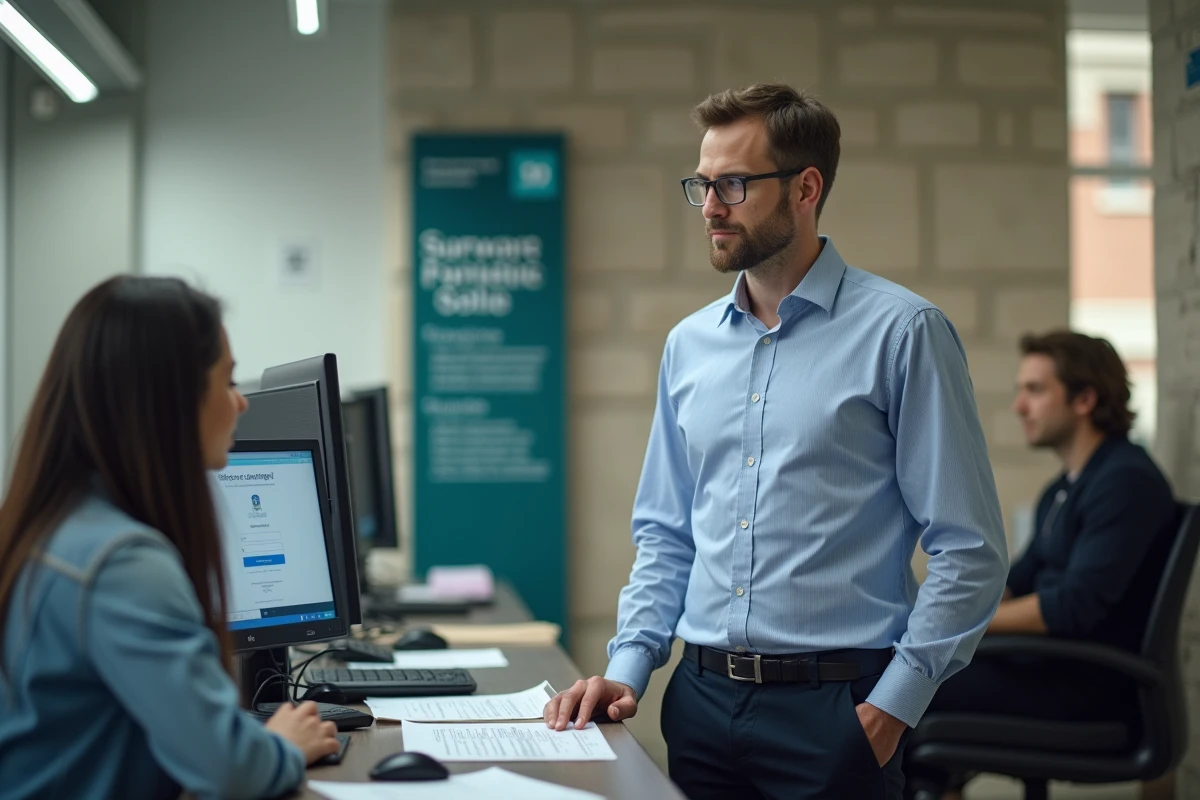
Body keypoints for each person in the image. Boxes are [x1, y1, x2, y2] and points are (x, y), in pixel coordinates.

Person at [543, 82, 1009, 799]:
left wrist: (892, 708)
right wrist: (629, 669)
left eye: (732, 183)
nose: (709, 207)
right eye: (701, 184)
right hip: (697, 706)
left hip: (839, 711)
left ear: (806, 187)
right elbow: (667, 536)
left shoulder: (904, 333)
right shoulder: (688, 345)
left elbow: (969, 549)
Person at [0, 276, 340, 799]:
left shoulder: (53, 524)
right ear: (173, 399)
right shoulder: (122, 564)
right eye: (227, 382)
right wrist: (284, 746)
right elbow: (232, 770)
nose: (241, 403)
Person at [905, 330, 1178, 800]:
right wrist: (941, 608)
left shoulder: (1124, 481)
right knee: (911, 675)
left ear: (1085, 399)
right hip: (1048, 671)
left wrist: (957, 627)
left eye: (1034, 390)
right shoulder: (1067, 487)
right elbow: (1015, 582)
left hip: (1088, 690)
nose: (1019, 406)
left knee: (909, 686)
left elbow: (1072, 607)